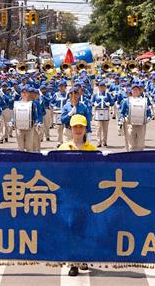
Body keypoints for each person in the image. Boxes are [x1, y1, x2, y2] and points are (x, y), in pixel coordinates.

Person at [58, 114, 96, 276]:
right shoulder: (63, 149)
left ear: (86, 129)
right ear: (70, 129)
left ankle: (83, 258)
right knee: (71, 227)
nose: (78, 130)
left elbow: (99, 173)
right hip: (69, 195)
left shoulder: (93, 151)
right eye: (75, 127)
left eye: (81, 127)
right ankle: (73, 262)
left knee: (85, 227)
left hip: (86, 195)